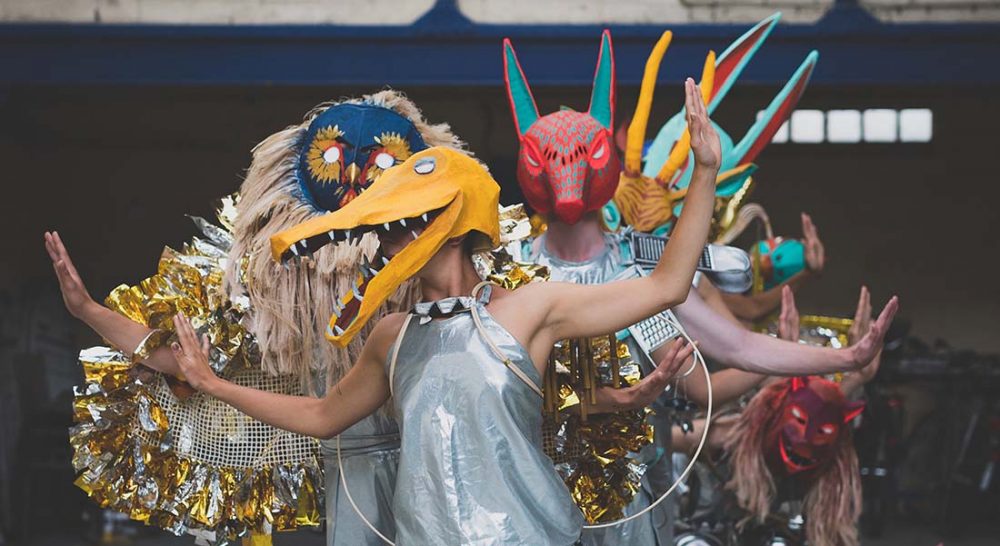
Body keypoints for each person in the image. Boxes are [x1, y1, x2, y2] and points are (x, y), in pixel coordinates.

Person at [171, 80, 895, 545]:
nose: (385, 241)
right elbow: (323, 416)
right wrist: (209, 381)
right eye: (382, 229)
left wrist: (705, 172)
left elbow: (669, 287)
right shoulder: (391, 337)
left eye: (398, 227)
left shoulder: (531, 310)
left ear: (449, 226)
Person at [46, 90, 463, 545]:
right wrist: (87, 309)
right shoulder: (275, 293)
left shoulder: (437, 285)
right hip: (330, 490)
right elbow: (176, 353)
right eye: (333, 159)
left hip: (434, 483)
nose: (351, 181)